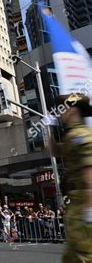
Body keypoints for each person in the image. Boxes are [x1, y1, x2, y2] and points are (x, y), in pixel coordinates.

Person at [54, 94, 92, 262]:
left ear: (72, 110)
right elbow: (55, 152)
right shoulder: (71, 136)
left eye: (63, 109)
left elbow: (89, 173)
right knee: (72, 257)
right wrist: (49, 129)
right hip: (77, 205)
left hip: (84, 203)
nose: (59, 113)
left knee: (84, 256)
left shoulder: (81, 136)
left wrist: (89, 212)